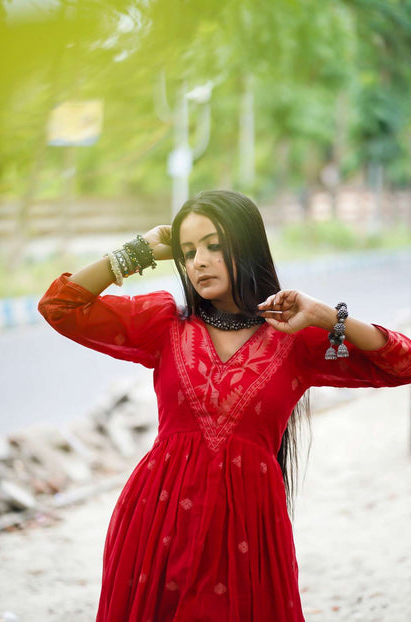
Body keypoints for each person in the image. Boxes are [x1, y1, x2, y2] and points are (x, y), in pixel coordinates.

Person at [38, 190, 411, 621]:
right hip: (157, 524)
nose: (198, 262)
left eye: (213, 246)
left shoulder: (296, 338)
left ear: (247, 246)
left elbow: (401, 363)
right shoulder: (164, 324)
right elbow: (59, 306)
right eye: (188, 252)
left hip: (248, 532)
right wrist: (140, 251)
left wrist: (327, 316)